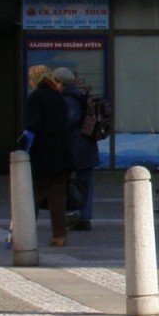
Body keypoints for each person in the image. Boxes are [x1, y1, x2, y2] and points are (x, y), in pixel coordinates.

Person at [23, 65, 74, 248]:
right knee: (57, 198)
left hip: (43, 155)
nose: (30, 82)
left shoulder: (36, 97)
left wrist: (22, 146)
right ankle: (60, 236)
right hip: (61, 155)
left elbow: (33, 125)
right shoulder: (58, 97)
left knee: (31, 196)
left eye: (31, 78)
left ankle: (23, 234)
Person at [55, 68, 97, 231]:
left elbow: (69, 121)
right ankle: (84, 216)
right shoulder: (82, 96)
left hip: (76, 147)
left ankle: (75, 215)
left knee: (70, 183)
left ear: (61, 83)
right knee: (85, 183)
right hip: (87, 145)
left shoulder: (68, 99)